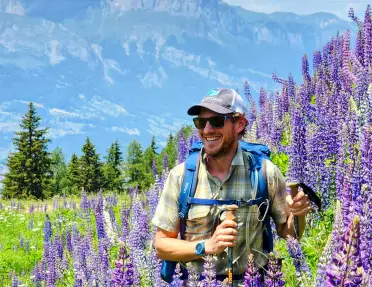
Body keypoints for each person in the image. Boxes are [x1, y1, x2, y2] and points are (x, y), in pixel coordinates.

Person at [152, 88, 311, 286]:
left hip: (251, 280)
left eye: (217, 121)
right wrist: (206, 246)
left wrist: (298, 213)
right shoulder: (181, 177)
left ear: (239, 124)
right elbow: (161, 245)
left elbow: (289, 233)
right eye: (200, 122)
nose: (207, 129)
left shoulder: (264, 172)